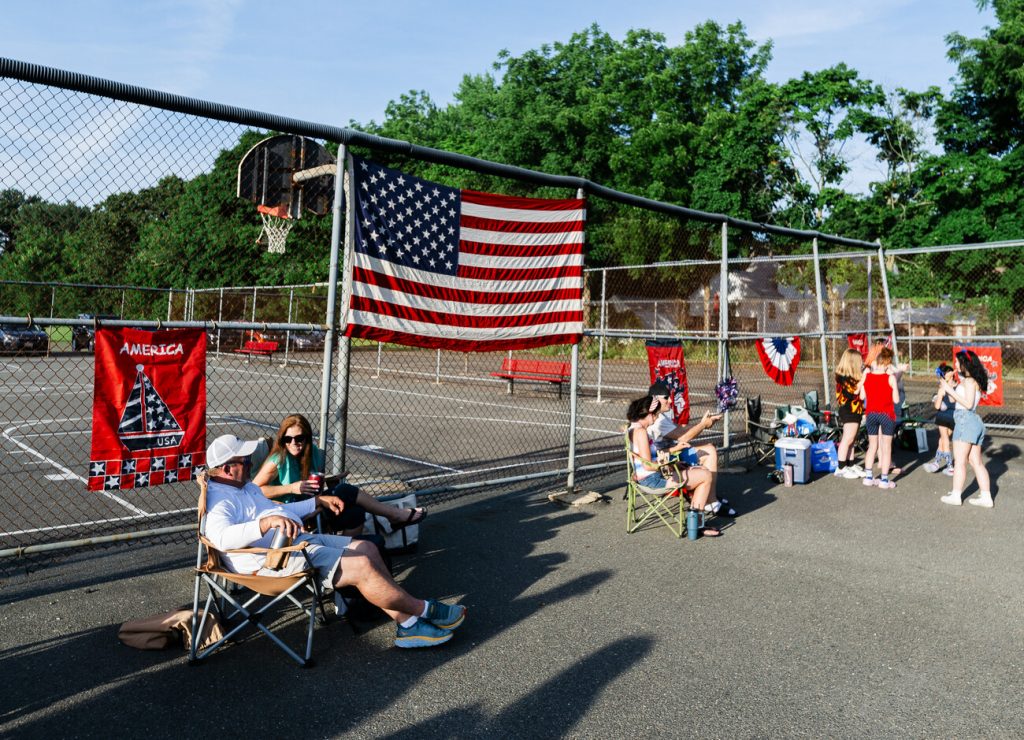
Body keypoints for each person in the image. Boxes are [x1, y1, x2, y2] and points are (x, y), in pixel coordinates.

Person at [203, 434, 466, 648]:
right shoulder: (220, 500)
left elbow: (282, 512)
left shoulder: (243, 487)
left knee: (367, 547)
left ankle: (408, 624)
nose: (250, 463)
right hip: (270, 562)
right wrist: (263, 524)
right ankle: (424, 610)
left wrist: (317, 501)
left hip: (295, 543)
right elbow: (221, 538)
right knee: (361, 566)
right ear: (227, 468)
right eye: (245, 460)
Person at [253, 414, 426, 536]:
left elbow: (310, 485)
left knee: (356, 514)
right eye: (287, 439)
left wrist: (329, 481)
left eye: (299, 438)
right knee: (344, 490)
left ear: (307, 438)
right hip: (289, 511)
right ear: (282, 440)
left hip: (312, 505)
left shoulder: (311, 452)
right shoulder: (278, 459)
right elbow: (254, 491)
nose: (294, 443)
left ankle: (338, 561)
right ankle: (394, 515)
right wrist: (291, 488)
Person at [626, 396, 721, 537]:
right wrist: (669, 464)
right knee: (705, 475)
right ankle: (696, 525)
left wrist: (674, 459)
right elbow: (649, 465)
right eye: (656, 414)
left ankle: (696, 522)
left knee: (701, 471)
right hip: (653, 480)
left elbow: (647, 459)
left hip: (647, 478)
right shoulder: (641, 432)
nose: (656, 418)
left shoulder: (633, 428)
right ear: (648, 413)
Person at [646, 381, 734, 516]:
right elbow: (684, 437)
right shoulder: (657, 420)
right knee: (709, 452)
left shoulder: (659, 415)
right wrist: (703, 425)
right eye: (666, 397)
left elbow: (680, 429)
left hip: (671, 455)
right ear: (656, 399)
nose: (670, 400)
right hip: (667, 462)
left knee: (709, 448)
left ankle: (710, 497)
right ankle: (710, 501)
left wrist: (702, 423)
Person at [939, 351, 993, 507]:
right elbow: (953, 400)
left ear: (965, 364)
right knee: (976, 461)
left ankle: (956, 495)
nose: (955, 365)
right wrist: (948, 386)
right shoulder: (969, 381)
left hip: (965, 420)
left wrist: (950, 391)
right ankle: (986, 497)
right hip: (973, 422)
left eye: (957, 362)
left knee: (960, 462)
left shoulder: (969, 382)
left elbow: (968, 404)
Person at [857, 347, 900, 489]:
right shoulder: (890, 378)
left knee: (872, 446)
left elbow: (862, 397)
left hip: (871, 414)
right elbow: (896, 400)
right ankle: (884, 480)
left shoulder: (868, 377)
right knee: (886, 447)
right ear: (888, 363)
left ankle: (868, 477)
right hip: (887, 415)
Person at [833, 348, 867, 479]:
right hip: (848, 410)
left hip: (857, 410)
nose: (861, 364)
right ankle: (841, 467)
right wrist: (864, 377)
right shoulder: (842, 377)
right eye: (859, 362)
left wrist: (863, 378)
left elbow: (861, 394)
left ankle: (850, 464)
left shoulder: (854, 378)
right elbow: (854, 392)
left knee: (853, 440)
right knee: (847, 439)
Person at [924, 364, 956, 476]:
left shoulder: (947, 388)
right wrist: (940, 396)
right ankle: (936, 463)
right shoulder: (952, 387)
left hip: (947, 417)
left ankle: (950, 466)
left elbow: (940, 406)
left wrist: (941, 394)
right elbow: (941, 405)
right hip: (949, 417)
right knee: (942, 440)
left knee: (945, 440)